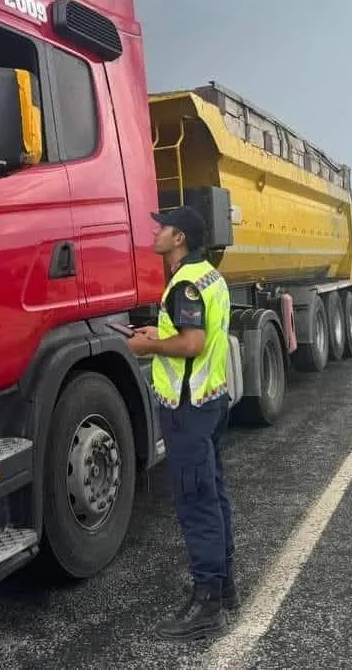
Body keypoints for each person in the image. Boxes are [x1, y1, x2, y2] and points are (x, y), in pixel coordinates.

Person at [126, 205, 238, 641]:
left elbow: (191, 343)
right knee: (213, 492)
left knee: (196, 501)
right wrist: (158, 337)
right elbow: (201, 338)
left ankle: (207, 603)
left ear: (180, 240)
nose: (156, 230)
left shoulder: (186, 283)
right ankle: (225, 587)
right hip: (209, 400)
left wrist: (144, 348)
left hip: (188, 408)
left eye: (164, 226)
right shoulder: (209, 275)